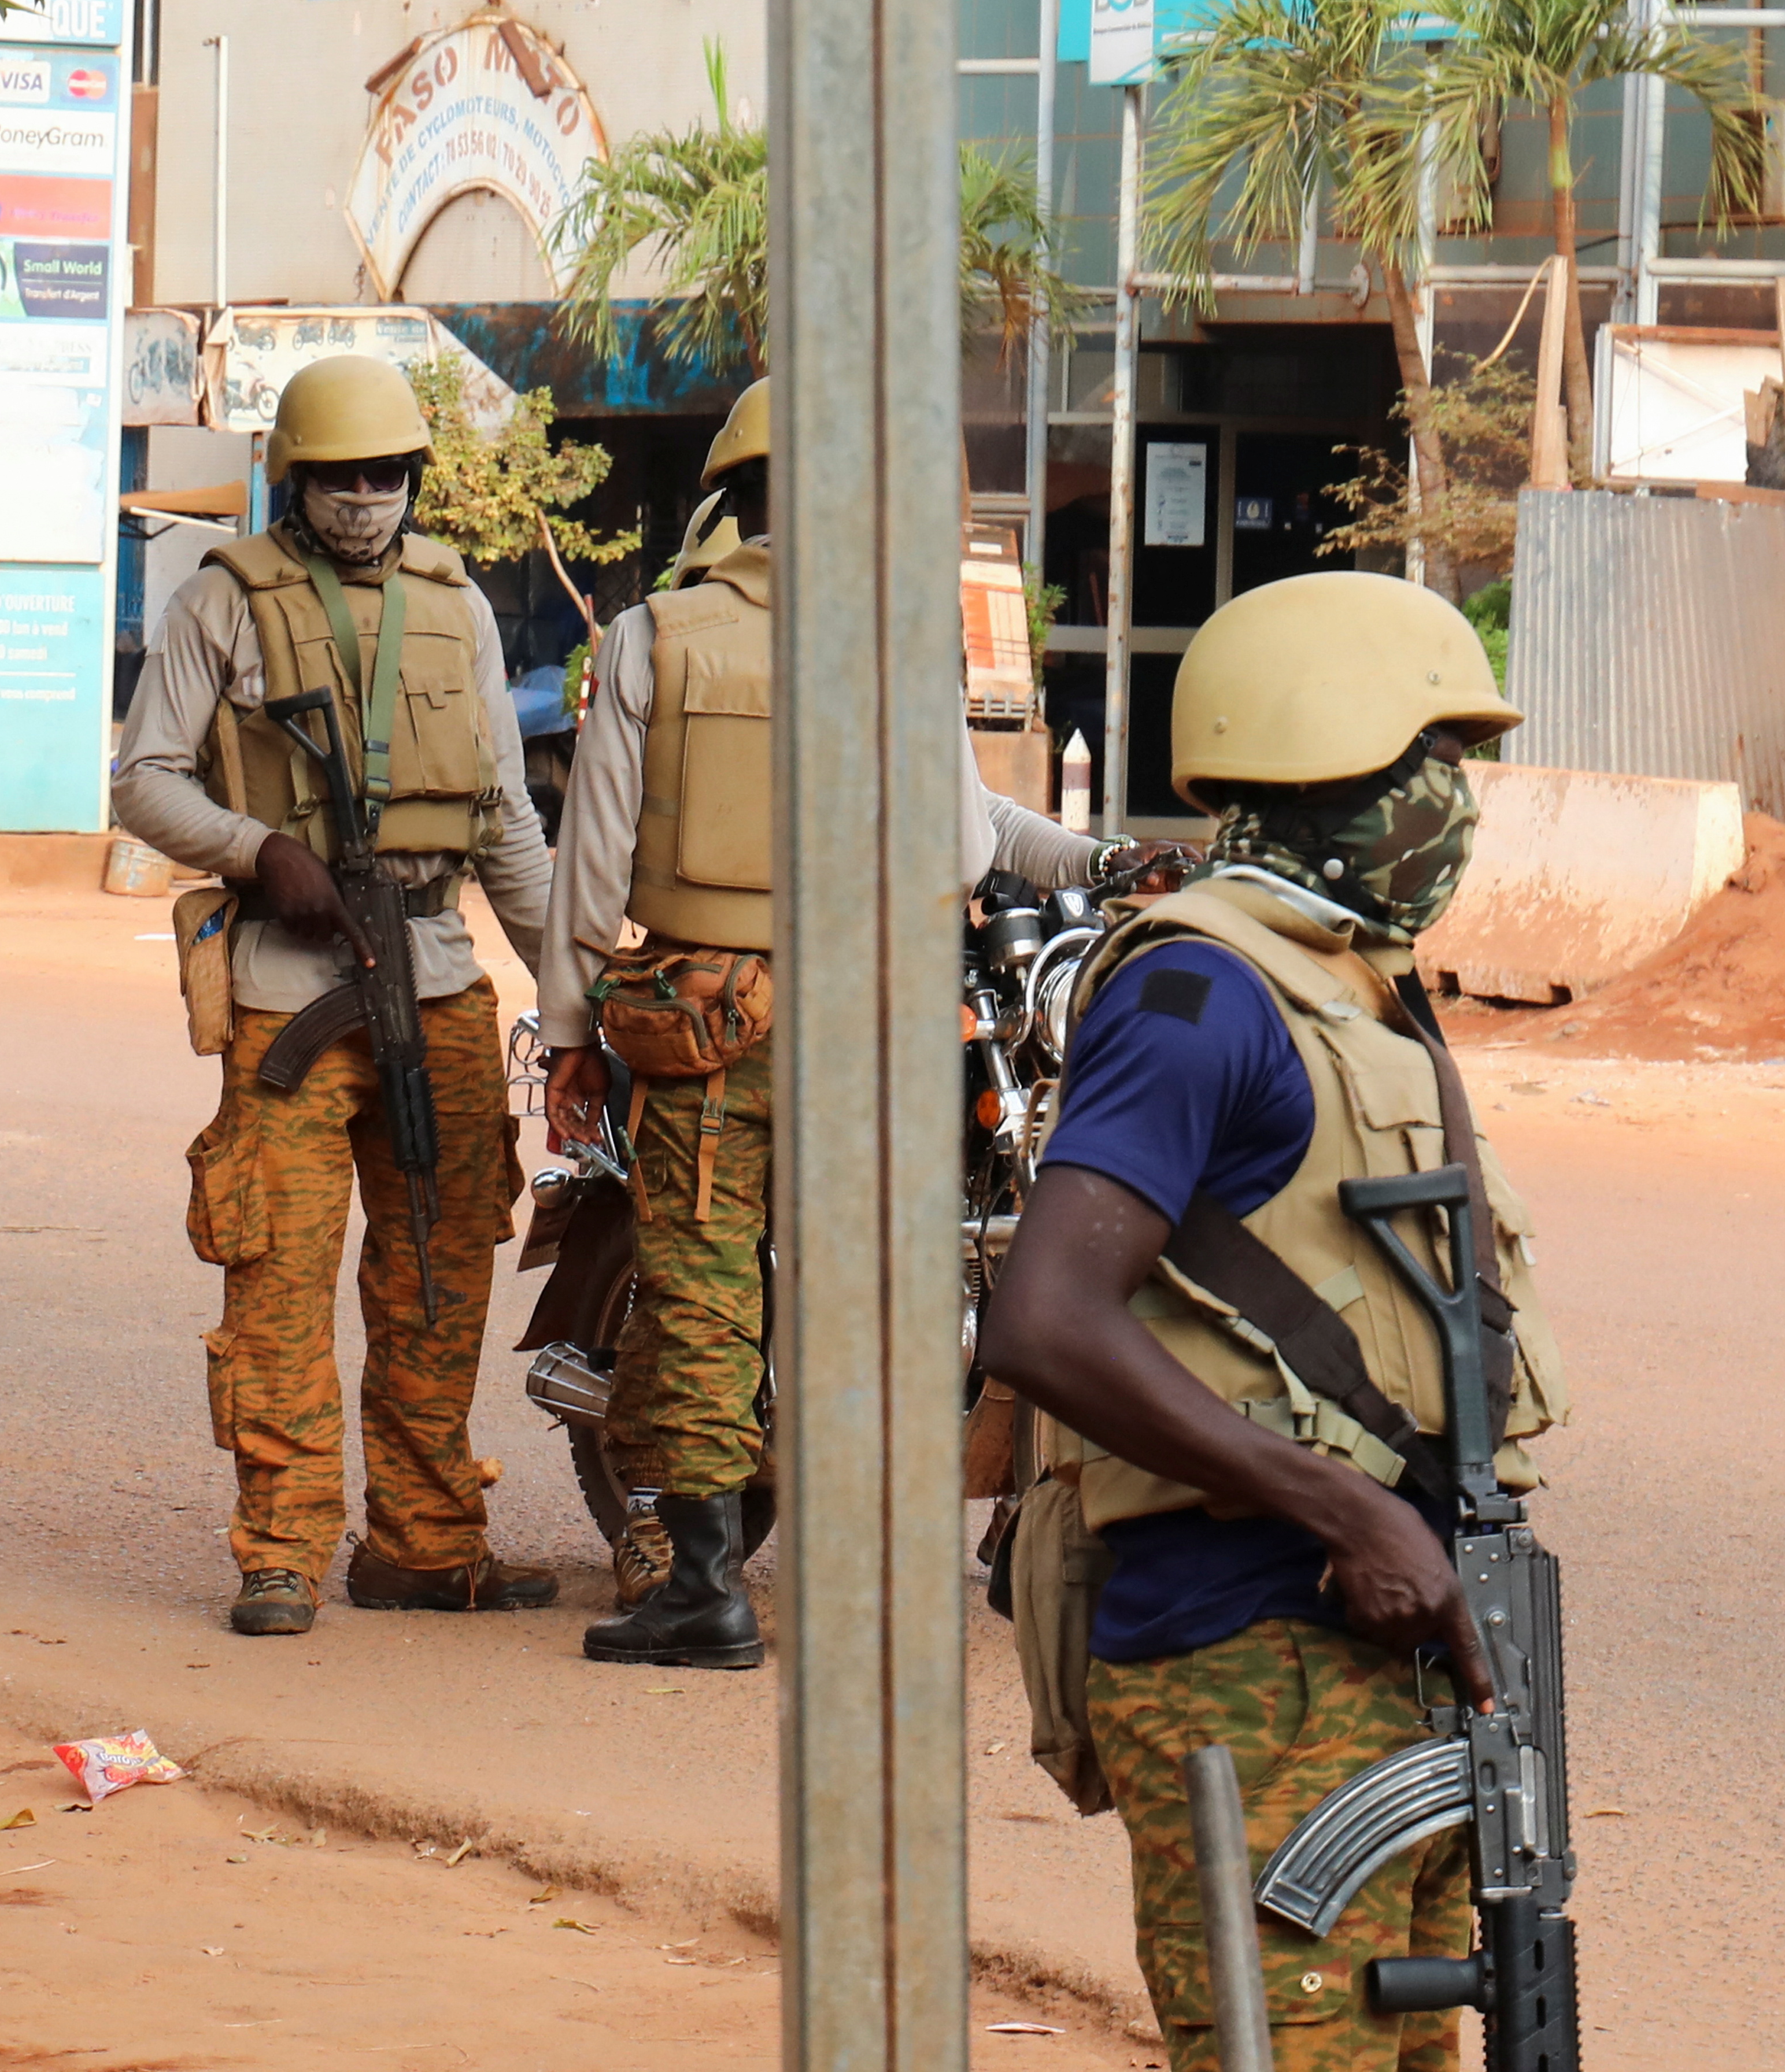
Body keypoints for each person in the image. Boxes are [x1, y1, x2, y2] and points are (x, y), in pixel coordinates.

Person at [978, 572, 1573, 2072]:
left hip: (1393, 1643)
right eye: (1424, 765)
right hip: (1247, 1641)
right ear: (1318, 761)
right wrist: (1336, 1508)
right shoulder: (1201, 994)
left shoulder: (1352, 988)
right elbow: (1044, 1318)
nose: (1454, 804)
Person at [533, 376, 1128, 1667]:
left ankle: (702, 1590)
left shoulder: (652, 638)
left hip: (705, 1019)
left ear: (727, 499)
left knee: (699, 1289)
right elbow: (971, 846)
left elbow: (592, 858)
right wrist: (1099, 857)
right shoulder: (900, 642)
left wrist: (569, 1029)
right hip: (872, 1023)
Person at [114, 353, 558, 1639]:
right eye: (340, 476)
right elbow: (143, 778)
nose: (365, 496)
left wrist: (572, 993)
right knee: (279, 1275)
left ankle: (423, 1543)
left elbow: (504, 824)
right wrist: (261, 852)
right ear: (295, 479)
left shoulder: (454, 604)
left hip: (433, 974)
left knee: (439, 1270)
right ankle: (282, 1549)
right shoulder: (220, 603)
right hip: (286, 989)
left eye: (386, 474)